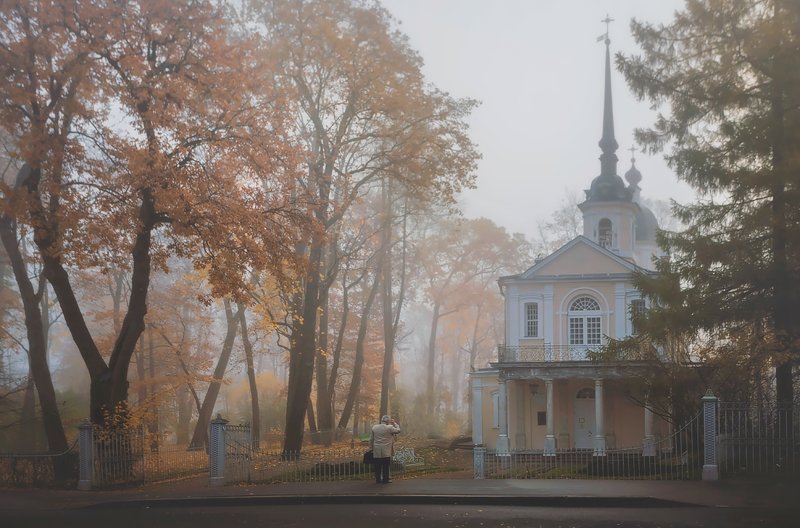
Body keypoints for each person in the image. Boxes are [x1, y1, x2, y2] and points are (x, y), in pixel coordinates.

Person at [370, 415, 400, 483]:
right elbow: (398, 430)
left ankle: (378, 480)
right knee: (385, 466)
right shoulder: (390, 427)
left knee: (377, 466)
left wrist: (371, 448)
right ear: (388, 421)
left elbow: (371, 439)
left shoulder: (374, 427)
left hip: (377, 450)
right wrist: (395, 423)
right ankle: (385, 479)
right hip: (386, 451)